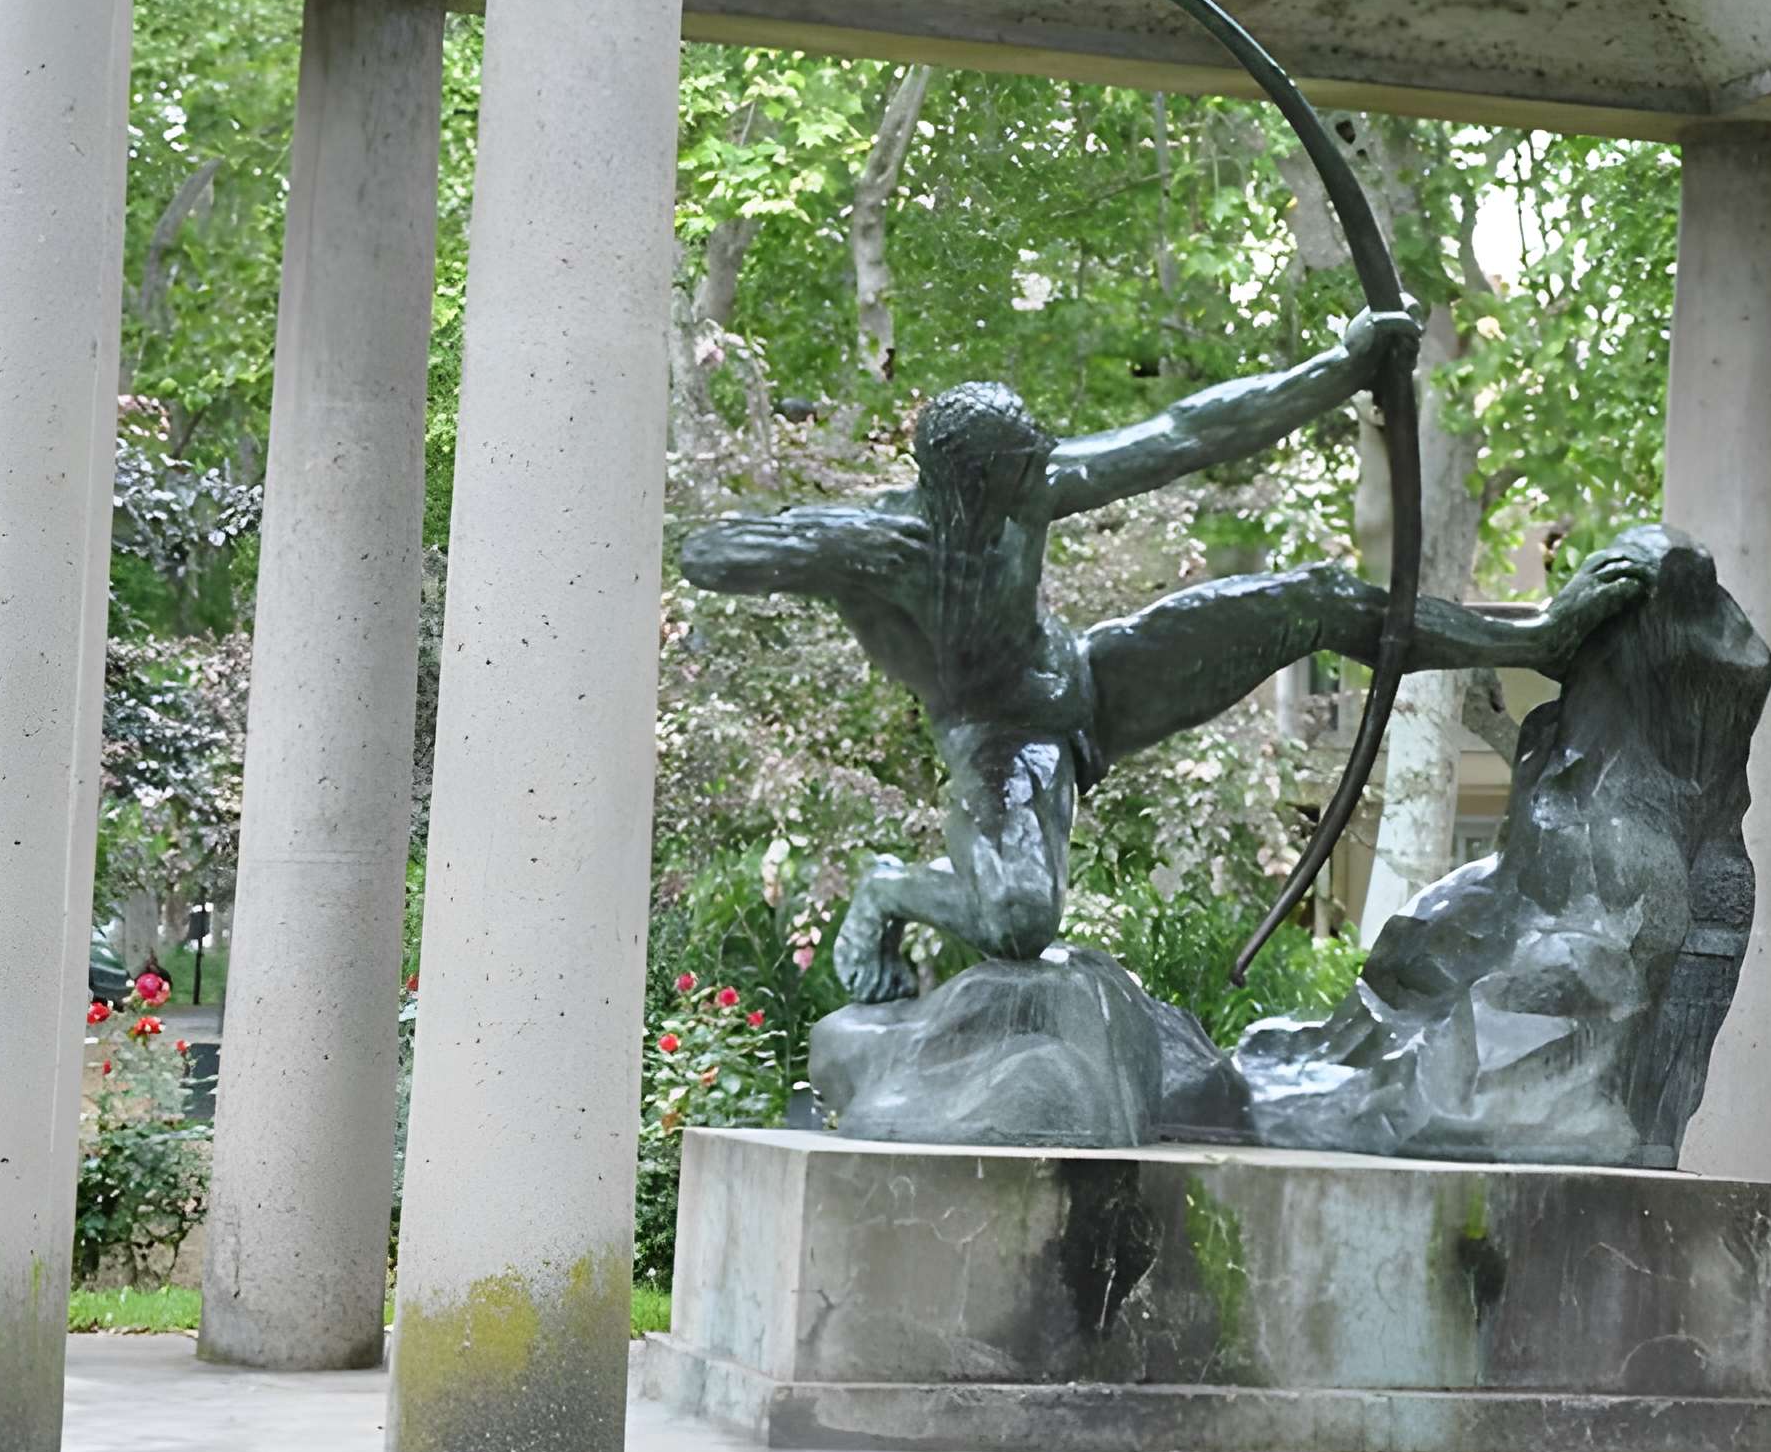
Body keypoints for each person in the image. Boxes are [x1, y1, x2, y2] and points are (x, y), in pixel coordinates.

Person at [679, 310, 1652, 1000]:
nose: (1040, 481)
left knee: (1310, 600)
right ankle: (893, 886)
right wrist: (821, 547)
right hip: (1004, 742)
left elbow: (1185, 433)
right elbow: (709, 553)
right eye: (1020, 472)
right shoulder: (892, 546)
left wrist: (1338, 370)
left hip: (1098, 682)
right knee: (1019, 923)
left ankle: (1538, 636)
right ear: (964, 488)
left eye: (1036, 465)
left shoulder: (1028, 487)